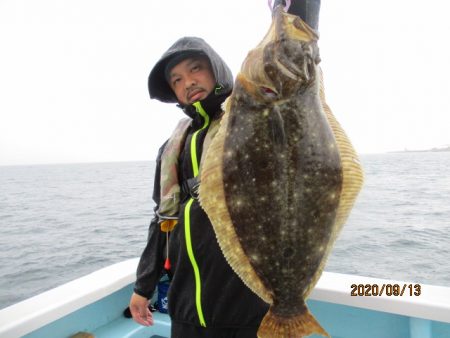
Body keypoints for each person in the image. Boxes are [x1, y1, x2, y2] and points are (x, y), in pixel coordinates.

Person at [129, 1, 321, 337]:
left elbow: (295, 66)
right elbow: (162, 221)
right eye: (177, 79)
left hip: (246, 308)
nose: (188, 82)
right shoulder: (172, 146)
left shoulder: (250, 116)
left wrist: (293, 11)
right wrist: (143, 286)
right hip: (186, 312)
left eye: (195, 69)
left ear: (216, 69)